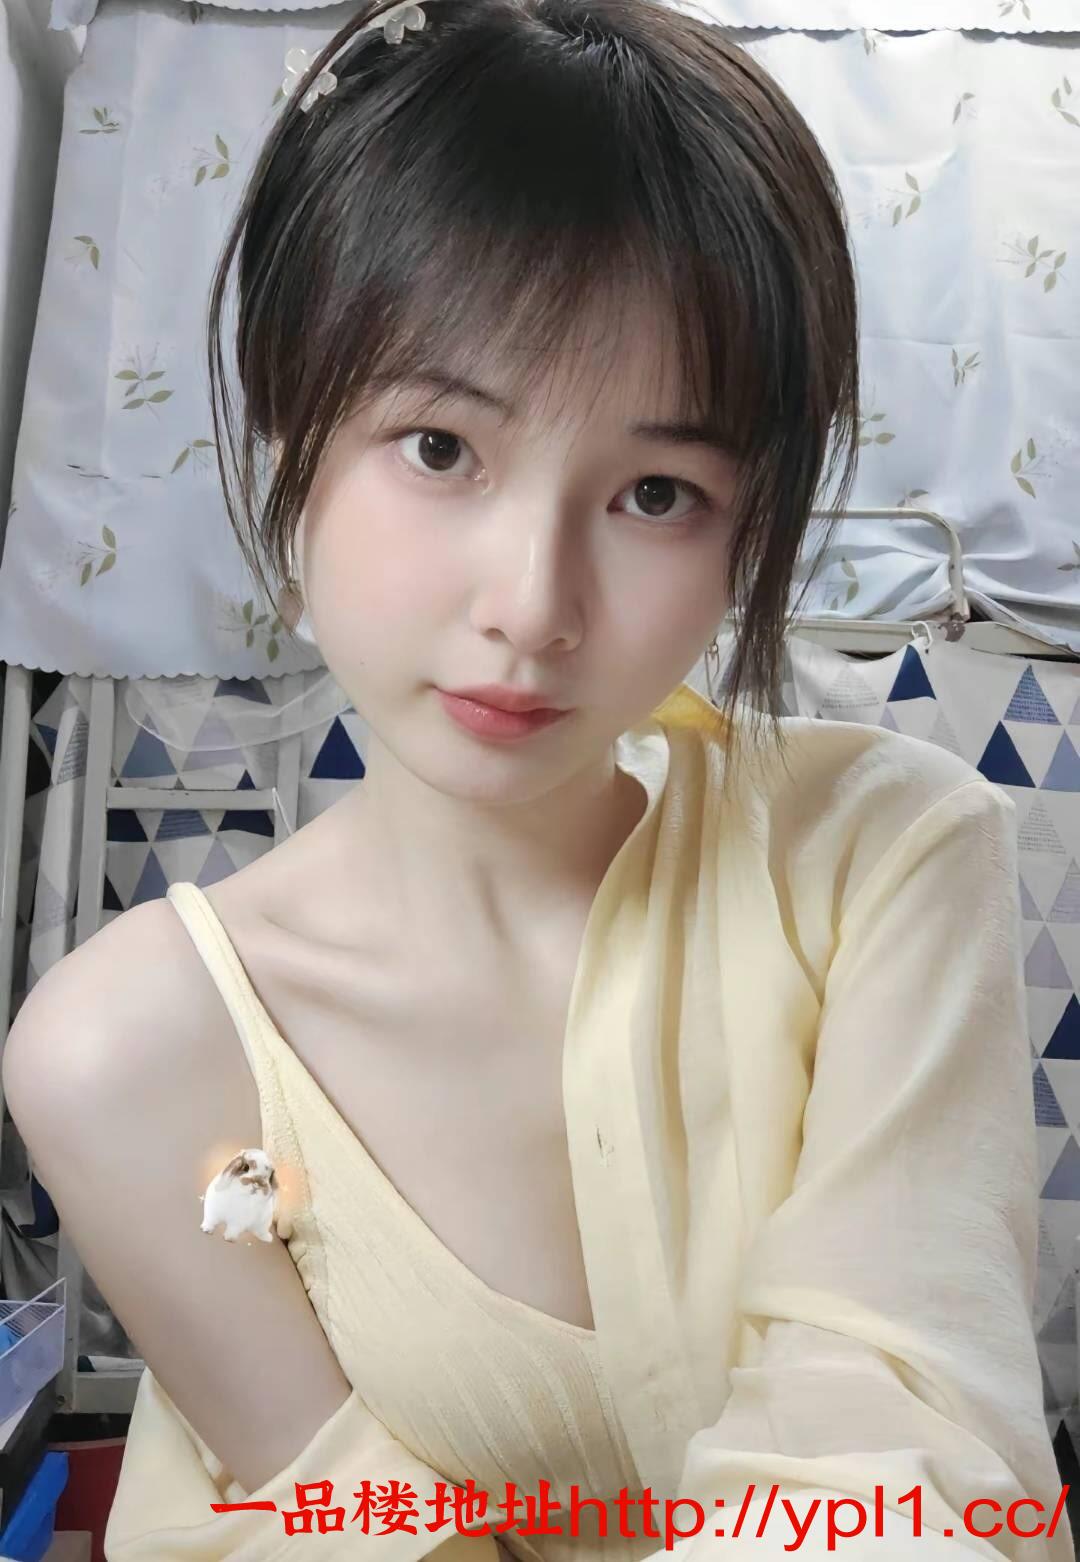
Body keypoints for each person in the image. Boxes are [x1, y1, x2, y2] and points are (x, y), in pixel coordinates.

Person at [2, 0, 1068, 1558]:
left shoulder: (881, 855)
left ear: (749, 527)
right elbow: (346, 1525)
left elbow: (894, 1437)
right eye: (441, 448)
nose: (534, 604)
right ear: (294, 437)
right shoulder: (121, 1048)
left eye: (658, 491)